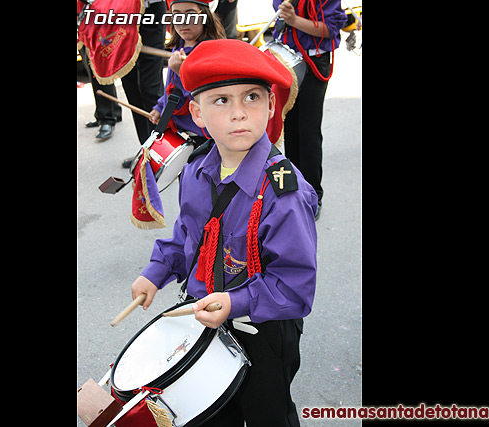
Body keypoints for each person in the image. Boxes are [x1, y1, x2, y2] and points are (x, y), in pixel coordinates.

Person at [129, 39, 318, 427]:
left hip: (262, 328)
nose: (238, 114)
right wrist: (156, 271)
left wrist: (235, 304)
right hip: (204, 318)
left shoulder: (284, 191)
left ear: (270, 106)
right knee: (211, 410)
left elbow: (295, 286)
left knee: (269, 413)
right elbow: (188, 235)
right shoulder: (197, 170)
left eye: (251, 97)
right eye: (221, 101)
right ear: (196, 113)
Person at [273, 0, 347, 220]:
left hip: (314, 62)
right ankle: (294, 192)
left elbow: (330, 28)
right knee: (291, 130)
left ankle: (313, 195)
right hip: (288, 60)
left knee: (308, 131)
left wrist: (294, 20)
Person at [147, 0, 225, 147]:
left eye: (190, 14)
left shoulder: (210, 52)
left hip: (204, 135)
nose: (183, 23)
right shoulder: (179, 46)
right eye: (176, 16)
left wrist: (182, 73)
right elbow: (171, 87)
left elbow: (209, 100)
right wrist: (160, 106)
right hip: (179, 131)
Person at [120, 0, 168, 167]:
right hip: (121, 12)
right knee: (130, 83)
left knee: (150, 88)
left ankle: (161, 152)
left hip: (150, 9)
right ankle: (145, 151)